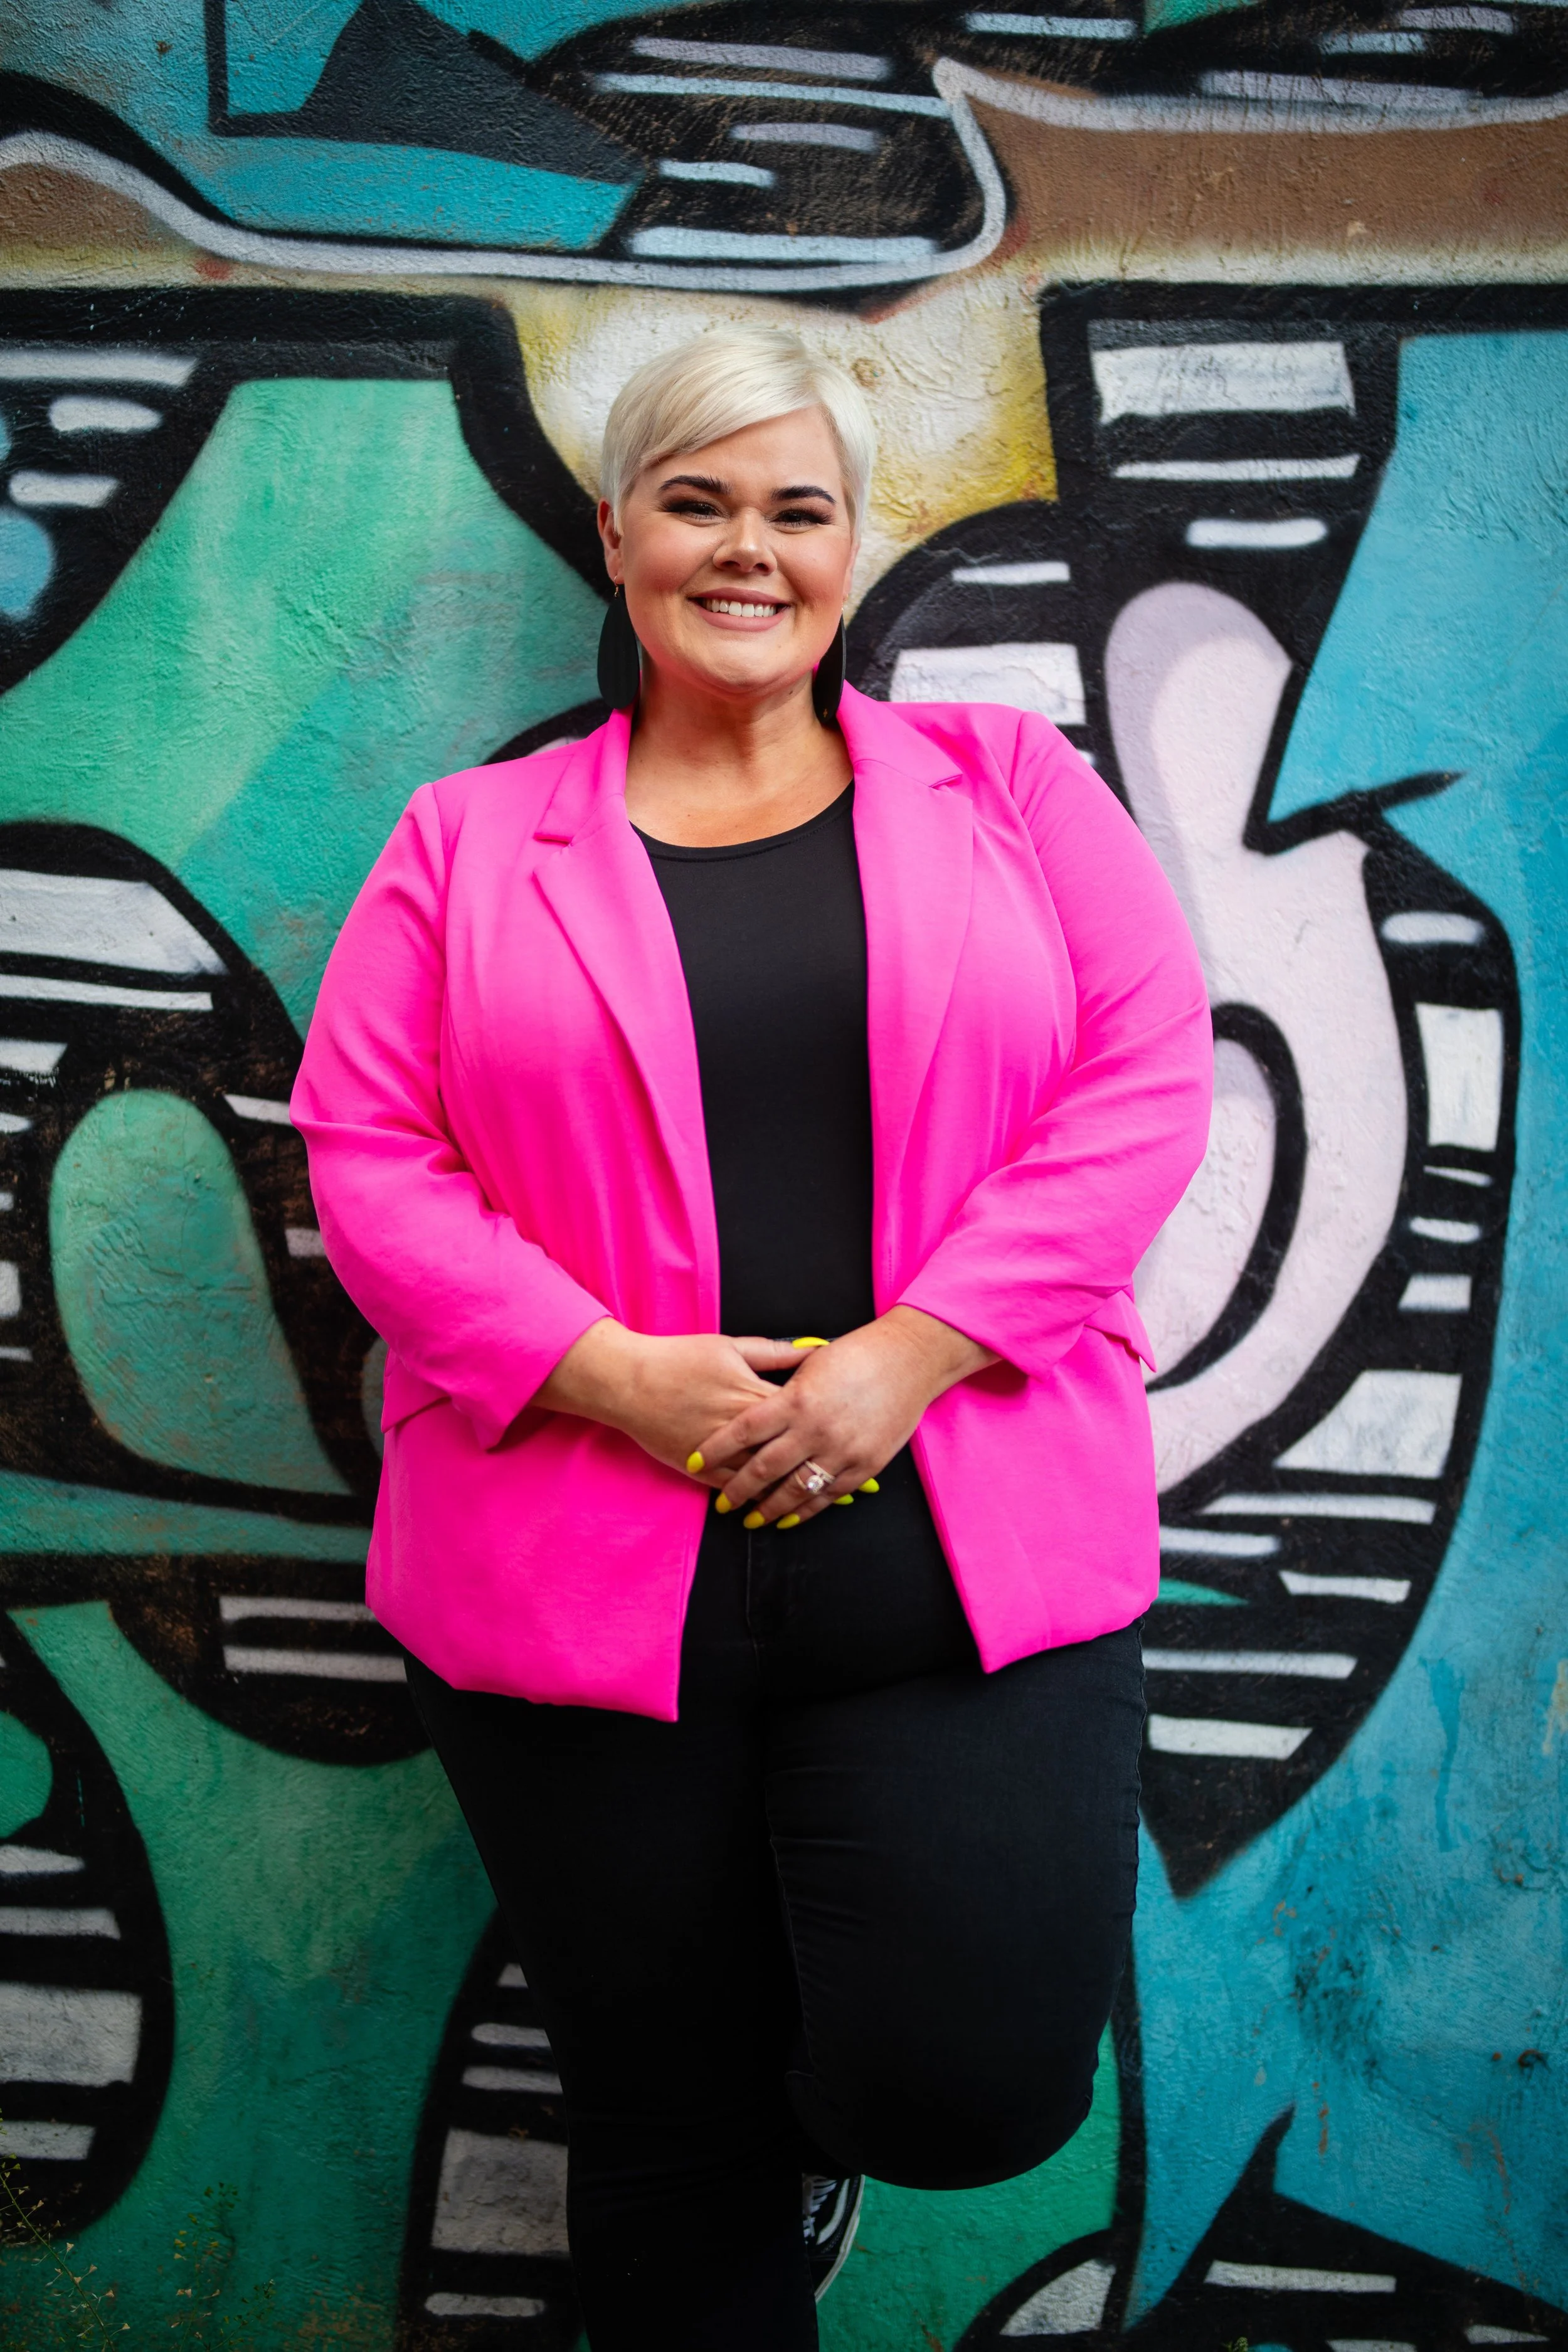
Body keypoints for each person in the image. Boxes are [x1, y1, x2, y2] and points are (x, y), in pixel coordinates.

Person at [293, 327, 1212, 2349]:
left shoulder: (1010, 788)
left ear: (851, 547)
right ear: (614, 533)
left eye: (796, 508)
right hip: (578, 1574)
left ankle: (831, 2127)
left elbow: (1146, 1080)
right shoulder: (468, 841)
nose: (748, 549)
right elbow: (366, 1147)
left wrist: (920, 1345)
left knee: (969, 2085)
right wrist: (607, 1370)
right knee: (660, 2133)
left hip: (954, 1555)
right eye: (697, 501)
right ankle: (734, 2173)